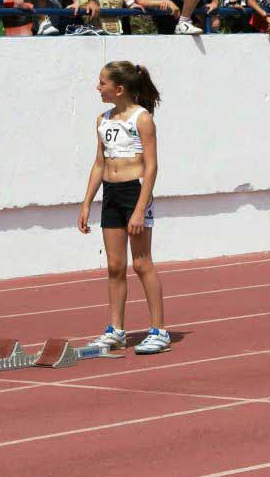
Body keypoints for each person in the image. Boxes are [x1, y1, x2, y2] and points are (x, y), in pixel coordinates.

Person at [79, 61, 170, 355]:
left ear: (118, 89)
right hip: (111, 193)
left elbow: (152, 166)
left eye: (102, 82)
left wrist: (141, 207)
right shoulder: (102, 120)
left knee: (142, 263)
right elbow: (99, 163)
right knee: (115, 267)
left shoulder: (142, 119)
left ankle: (159, 330)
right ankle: (115, 329)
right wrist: (86, 203)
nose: (98, 87)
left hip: (135, 192)